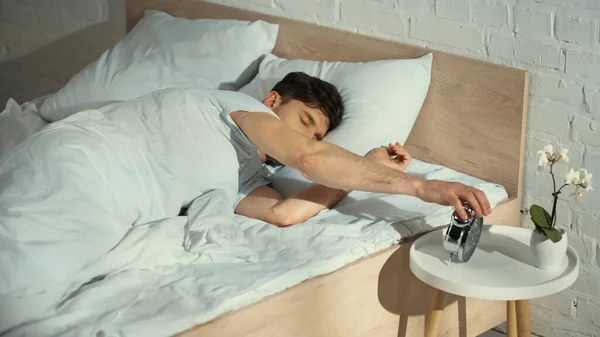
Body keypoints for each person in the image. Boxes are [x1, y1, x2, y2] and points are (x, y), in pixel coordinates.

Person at [233, 72, 491, 226]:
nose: (304, 137)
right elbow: (309, 157)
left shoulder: (252, 176)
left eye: (315, 136)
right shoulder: (235, 109)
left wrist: (370, 166)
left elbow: (283, 214)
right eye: (304, 120)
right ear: (271, 100)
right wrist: (424, 187)